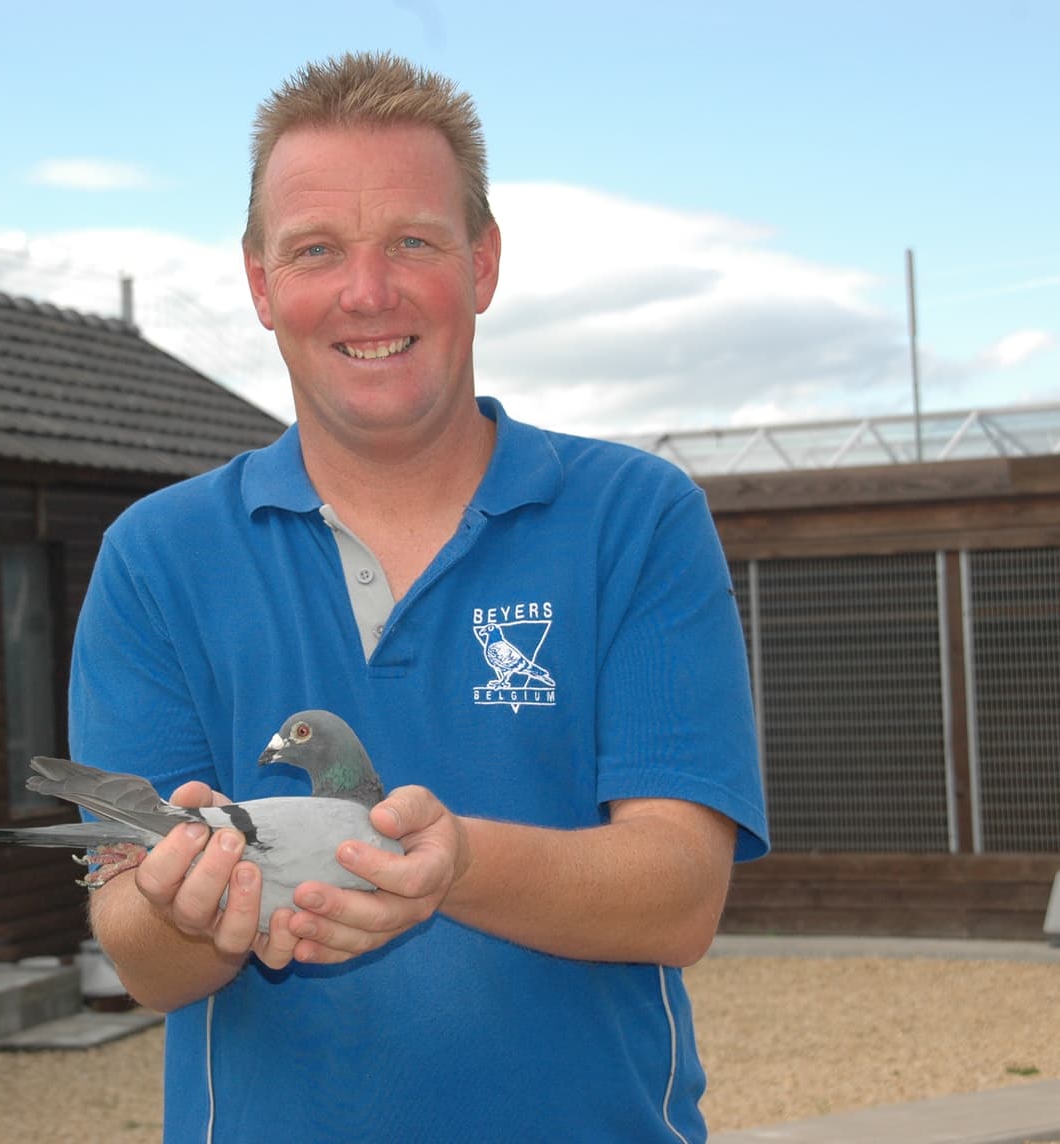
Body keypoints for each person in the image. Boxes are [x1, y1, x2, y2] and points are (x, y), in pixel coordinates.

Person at [67, 51, 769, 1143]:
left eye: (412, 241)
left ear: (481, 264)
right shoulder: (154, 558)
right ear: (258, 284)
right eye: (315, 250)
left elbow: (681, 893)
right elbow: (136, 947)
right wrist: (186, 910)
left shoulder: (634, 517)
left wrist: (455, 865)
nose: (367, 292)